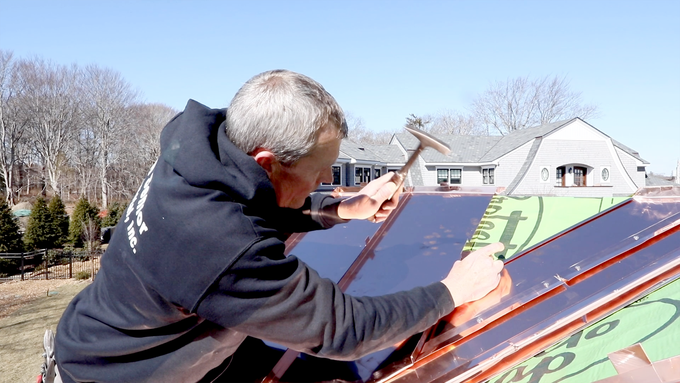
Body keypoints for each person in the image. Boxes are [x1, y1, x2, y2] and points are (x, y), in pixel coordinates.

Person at [53, 70, 504, 383]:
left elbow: (248, 200)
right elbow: (342, 329)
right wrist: (450, 291)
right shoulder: (220, 246)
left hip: (122, 338)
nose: (327, 180)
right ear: (267, 161)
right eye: (319, 171)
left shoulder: (197, 146)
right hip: (122, 373)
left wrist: (339, 209)